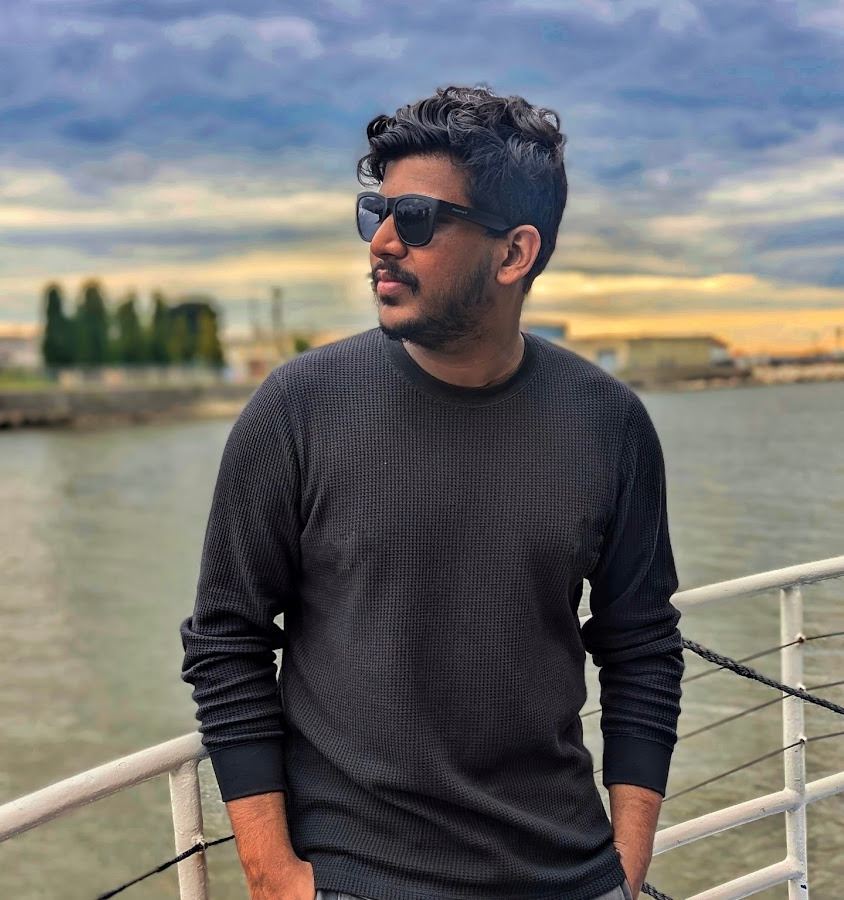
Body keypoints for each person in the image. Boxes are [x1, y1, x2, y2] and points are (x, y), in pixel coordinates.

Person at [180, 85, 684, 900]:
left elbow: (642, 647)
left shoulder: (609, 423)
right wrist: (273, 876)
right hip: (359, 880)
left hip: (571, 875)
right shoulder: (298, 407)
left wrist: (623, 870)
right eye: (376, 213)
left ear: (514, 254)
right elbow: (226, 640)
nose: (381, 242)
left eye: (415, 219)